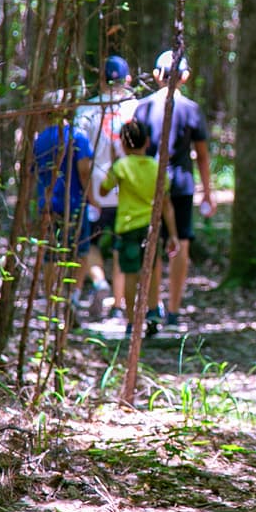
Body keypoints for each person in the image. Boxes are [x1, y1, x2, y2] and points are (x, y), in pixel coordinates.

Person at [134, 49, 215, 331]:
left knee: (152, 244)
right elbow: (202, 155)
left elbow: (132, 149)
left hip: (148, 187)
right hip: (180, 185)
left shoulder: (142, 108)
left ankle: (153, 307)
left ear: (157, 75)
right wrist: (208, 192)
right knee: (180, 243)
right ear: (185, 77)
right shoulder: (191, 109)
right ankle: (173, 311)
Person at [98, 120, 180, 338]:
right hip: (151, 228)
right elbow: (166, 204)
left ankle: (132, 321)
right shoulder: (157, 168)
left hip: (127, 227)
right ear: (147, 142)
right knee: (152, 270)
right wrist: (173, 235)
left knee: (130, 273)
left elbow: (103, 191)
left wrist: (113, 166)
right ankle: (153, 313)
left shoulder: (120, 167)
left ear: (123, 144)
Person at [75, 55, 139, 321]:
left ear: (101, 79)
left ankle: (98, 284)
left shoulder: (85, 110)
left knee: (87, 244)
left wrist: (88, 193)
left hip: (94, 191)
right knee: (121, 245)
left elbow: (82, 159)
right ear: (128, 79)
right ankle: (119, 305)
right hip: (127, 191)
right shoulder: (136, 108)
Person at [32, 103, 95, 324]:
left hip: (48, 206)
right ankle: (72, 299)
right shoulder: (78, 136)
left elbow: (34, 174)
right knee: (80, 252)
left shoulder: (39, 140)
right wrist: (92, 198)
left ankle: (52, 304)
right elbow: (85, 170)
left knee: (51, 254)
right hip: (75, 204)